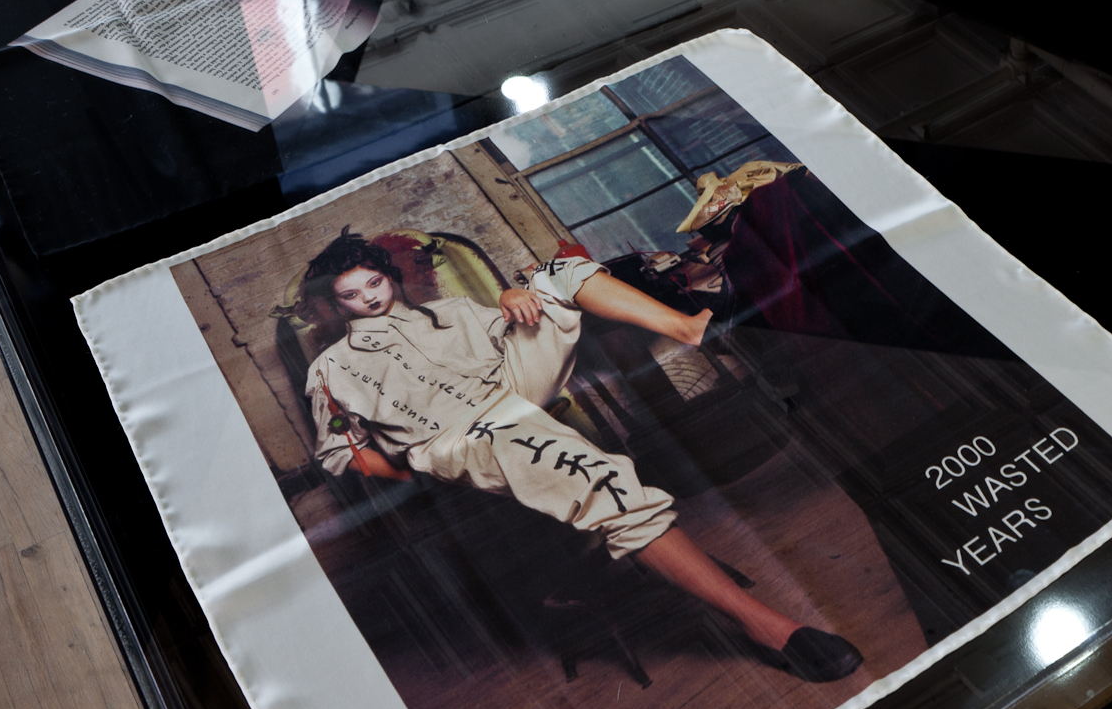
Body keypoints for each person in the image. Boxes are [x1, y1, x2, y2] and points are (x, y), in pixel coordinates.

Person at [299, 230, 863, 683]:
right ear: (333, 304)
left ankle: (686, 326)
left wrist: (513, 297)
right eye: (351, 294)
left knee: (560, 271)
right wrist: (408, 466)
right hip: (461, 436)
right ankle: (768, 627)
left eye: (374, 282)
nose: (369, 298)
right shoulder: (331, 367)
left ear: (388, 277)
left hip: (507, 388)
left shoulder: (451, 312)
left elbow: (512, 331)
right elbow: (339, 452)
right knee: (606, 484)